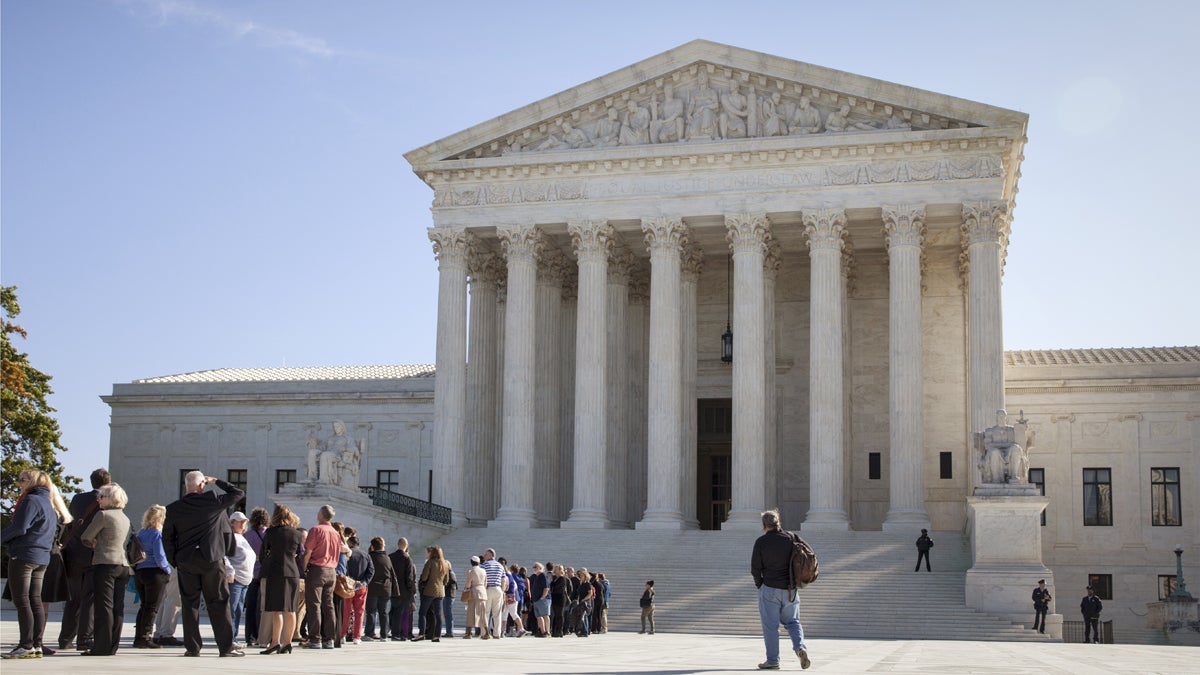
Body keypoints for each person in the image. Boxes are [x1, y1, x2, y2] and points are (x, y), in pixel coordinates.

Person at [162, 470, 246, 657]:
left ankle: (193, 648)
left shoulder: (174, 508)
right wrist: (215, 481)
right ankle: (225, 647)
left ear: (186, 486)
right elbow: (238, 493)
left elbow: (167, 538)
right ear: (202, 485)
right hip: (211, 559)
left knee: (189, 604)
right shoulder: (212, 501)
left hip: (186, 561)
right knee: (218, 602)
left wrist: (174, 560)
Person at [2, 469, 72, 659]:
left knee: (22, 600)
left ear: (32, 482)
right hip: (41, 558)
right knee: (34, 600)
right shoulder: (48, 503)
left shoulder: (31, 500)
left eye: (22, 480)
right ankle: (36, 644)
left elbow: (20, 527)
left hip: (24, 555)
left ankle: (26, 645)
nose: (19, 483)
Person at [58, 467, 110, 652]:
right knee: (90, 599)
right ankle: (84, 639)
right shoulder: (105, 501)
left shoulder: (78, 499)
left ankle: (65, 639)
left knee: (73, 598)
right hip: (93, 554)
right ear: (108, 482)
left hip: (73, 554)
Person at [751, 509, 810, 670]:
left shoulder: (761, 542)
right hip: (790, 589)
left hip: (770, 588)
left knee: (771, 626)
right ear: (779, 522)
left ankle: (772, 660)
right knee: (793, 622)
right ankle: (800, 647)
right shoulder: (791, 538)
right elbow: (808, 555)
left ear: (764, 525)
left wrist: (760, 584)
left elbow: (755, 568)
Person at [80, 482, 131, 656]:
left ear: (110, 499)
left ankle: (101, 646)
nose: (98, 500)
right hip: (123, 565)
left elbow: (86, 537)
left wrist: (97, 545)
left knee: (104, 607)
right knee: (118, 608)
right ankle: (112, 646)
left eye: (101, 497)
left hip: (105, 563)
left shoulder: (103, 515)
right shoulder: (125, 517)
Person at [259, 503, 303, 654]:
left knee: (276, 609)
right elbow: (299, 554)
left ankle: (275, 642)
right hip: (292, 572)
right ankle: (287, 643)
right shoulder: (296, 534)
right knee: (290, 609)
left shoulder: (271, 532)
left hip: (276, 571)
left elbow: (263, 553)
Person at [300, 505, 340, 649]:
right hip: (331, 571)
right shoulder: (336, 533)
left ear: (321, 515)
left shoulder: (316, 530)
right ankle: (329, 639)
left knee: (314, 604)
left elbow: (308, 552)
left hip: (318, 569)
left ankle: (315, 639)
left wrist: (304, 569)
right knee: (328, 605)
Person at [132, 504, 170, 648]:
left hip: (140, 571)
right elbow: (160, 556)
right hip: (155, 572)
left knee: (144, 605)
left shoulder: (141, 532)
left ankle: (139, 637)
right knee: (152, 607)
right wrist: (167, 569)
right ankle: (146, 638)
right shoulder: (157, 534)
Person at [224, 511, 256, 649]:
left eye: (244, 521)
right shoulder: (230, 537)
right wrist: (229, 571)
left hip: (244, 580)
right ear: (232, 523)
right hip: (235, 579)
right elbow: (223, 555)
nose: (243, 523)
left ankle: (233, 637)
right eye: (239, 521)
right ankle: (228, 639)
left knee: (237, 610)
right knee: (231, 609)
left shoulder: (242, 538)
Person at [243, 506, 270, 647]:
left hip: (251, 572)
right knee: (265, 606)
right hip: (266, 572)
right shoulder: (268, 534)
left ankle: (250, 637)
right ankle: (264, 634)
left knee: (251, 606)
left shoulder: (247, 535)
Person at [343, 534, 374, 644]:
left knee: (346, 611)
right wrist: (364, 582)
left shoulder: (347, 554)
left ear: (350, 543)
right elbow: (371, 571)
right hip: (361, 586)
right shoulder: (366, 555)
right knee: (359, 612)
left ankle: (343, 635)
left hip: (348, 585)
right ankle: (357, 637)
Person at [413, 545, 447, 642]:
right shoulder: (444, 564)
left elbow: (424, 577)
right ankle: (437, 635)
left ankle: (421, 634)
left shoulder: (430, 562)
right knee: (438, 615)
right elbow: (446, 580)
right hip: (440, 592)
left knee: (422, 613)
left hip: (430, 591)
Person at [364, 537, 395, 640]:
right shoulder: (387, 558)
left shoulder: (370, 557)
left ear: (372, 546)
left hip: (372, 588)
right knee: (384, 612)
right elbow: (392, 575)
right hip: (385, 589)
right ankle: (384, 634)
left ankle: (369, 633)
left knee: (371, 612)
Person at [388, 537, 417, 641]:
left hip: (392, 588)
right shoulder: (407, 558)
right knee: (400, 612)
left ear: (398, 544)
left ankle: (394, 631)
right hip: (403, 589)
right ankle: (397, 633)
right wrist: (411, 590)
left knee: (394, 610)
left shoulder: (390, 556)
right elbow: (409, 577)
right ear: (406, 545)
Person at [480, 548, 506, 638]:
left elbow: (481, 577)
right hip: (498, 589)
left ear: (491, 555)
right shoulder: (500, 566)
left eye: (486, 554)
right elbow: (504, 579)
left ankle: (484, 633)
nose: (484, 556)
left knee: (486, 612)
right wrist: (502, 591)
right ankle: (497, 633)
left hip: (488, 589)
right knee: (497, 613)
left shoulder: (484, 565)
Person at [463, 555, 487, 639]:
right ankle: (487, 632)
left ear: (471, 562)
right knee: (483, 613)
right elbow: (485, 583)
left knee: (471, 613)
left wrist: (466, 589)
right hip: (483, 592)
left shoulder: (471, 571)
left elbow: (468, 584)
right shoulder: (483, 571)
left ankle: (469, 633)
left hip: (473, 593)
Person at [528, 562, 551, 637]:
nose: (534, 568)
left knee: (545, 615)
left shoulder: (543, 576)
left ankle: (547, 631)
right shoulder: (536, 577)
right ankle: (542, 631)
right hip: (536, 600)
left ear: (541, 568)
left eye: (536, 567)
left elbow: (546, 587)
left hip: (543, 600)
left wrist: (542, 597)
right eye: (534, 567)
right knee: (538, 616)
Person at [549, 563, 569, 638]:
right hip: (555, 598)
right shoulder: (555, 578)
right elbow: (551, 586)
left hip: (560, 598)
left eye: (556, 569)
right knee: (555, 615)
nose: (554, 570)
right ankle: (554, 631)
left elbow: (557, 587)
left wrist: (552, 583)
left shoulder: (562, 579)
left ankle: (560, 631)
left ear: (560, 570)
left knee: (559, 615)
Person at [441, 560, 458, 637]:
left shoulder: (450, 574)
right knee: (446, 614)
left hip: (449, 596)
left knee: (448, 614)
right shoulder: (449, 573)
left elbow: (448, 584)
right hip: (448, 595)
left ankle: (449, 632)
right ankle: (449, 631)